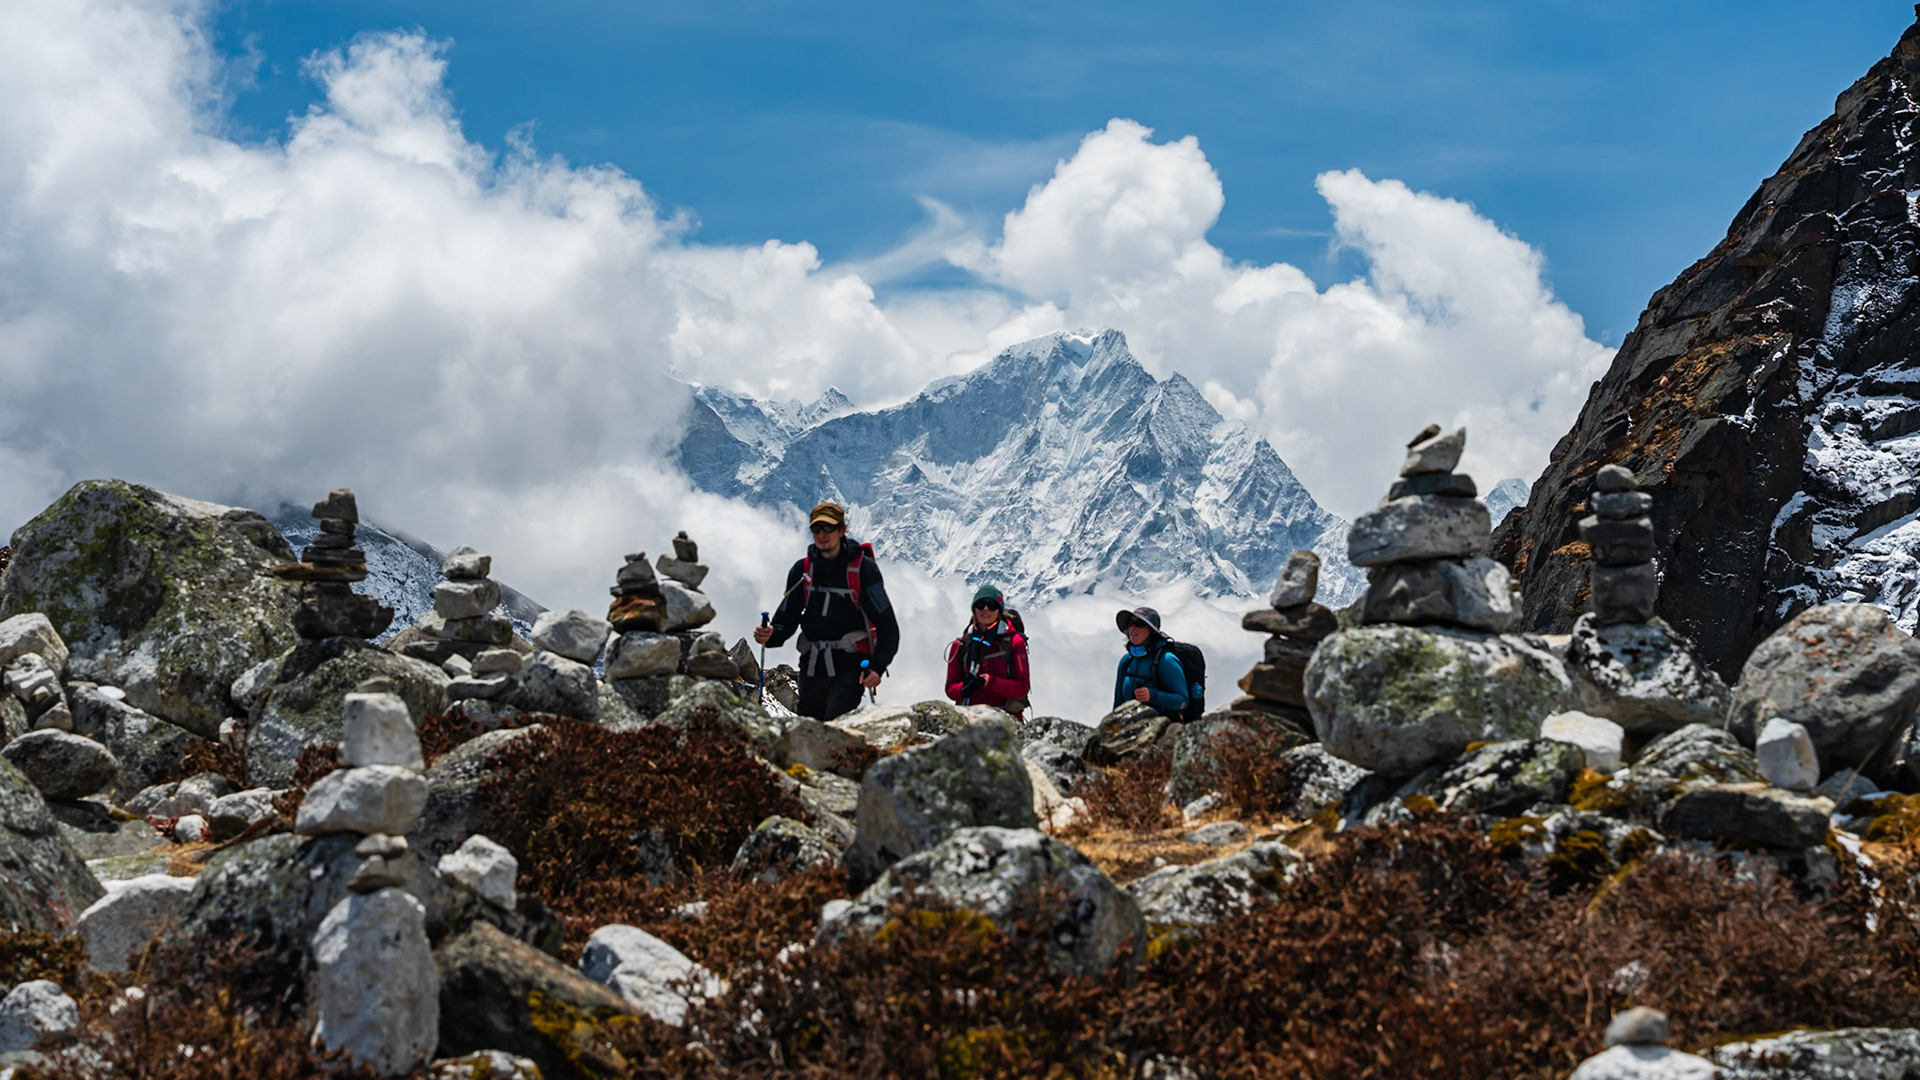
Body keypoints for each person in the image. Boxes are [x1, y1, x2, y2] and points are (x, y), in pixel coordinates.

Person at [754, 502, 900, 722]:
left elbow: (888, 626)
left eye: (829, 528)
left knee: (834, 728)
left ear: (842, 530)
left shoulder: (863, 570)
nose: (822, 535)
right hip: (812, 667)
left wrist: (877, 667)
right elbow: (787, 618)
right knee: (809, 729)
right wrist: (771, 634)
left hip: (850, 667)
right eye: (816, 529)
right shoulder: (802, 571)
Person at [945, 584, 1031, 717]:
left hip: (1006, 719)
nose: (986, 609)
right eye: (980, 605)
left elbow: (1022, 688)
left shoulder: (1015, 643)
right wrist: (964, 688)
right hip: (970, 718)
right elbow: (950, 689)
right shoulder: (960, 645)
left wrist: (989, 681)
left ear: (999, 611)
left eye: (992, 605)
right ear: (974, 609)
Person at [1112, 606, 1187, 715]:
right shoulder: (1126, 661)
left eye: (1140, 624)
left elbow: (1183, 701)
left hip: (1163, 724)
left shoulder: (1166, 660)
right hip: (1131, 723)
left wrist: (1153, 696)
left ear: (1152, 631)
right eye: (1130, 623)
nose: (1133, 627)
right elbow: (1118, 701)